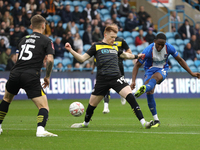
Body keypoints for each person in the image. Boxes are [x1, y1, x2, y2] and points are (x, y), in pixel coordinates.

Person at [65, 24, 153, 129]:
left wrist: (137, 56)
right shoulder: (96, 46)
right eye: (111, 37)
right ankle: (85, 123)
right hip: (102, 80)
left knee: (130, 97)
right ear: (105, 35)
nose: (113, 39)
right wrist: (70, 50)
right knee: (92, 105)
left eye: (115, 38)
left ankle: (144, 122)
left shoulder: (115, 47)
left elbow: (125, 55)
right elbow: (82, 59)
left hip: (116, 77)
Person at [0, 14, 57, 137]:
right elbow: (50, 60)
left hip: (15, 73)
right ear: (43, 26)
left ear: (31, 26)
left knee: (6, 99)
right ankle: (40, 130)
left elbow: (17, 58)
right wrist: (47, 76)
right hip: (30, 75)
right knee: (43, 106)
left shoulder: (22, 39)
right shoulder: (47, 40)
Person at [131, 33, 200, 128]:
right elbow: (137, 65)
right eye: (158, 44)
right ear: (154, 41)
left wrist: (191, 73)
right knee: (150, 92)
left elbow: (180, 60)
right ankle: (156, 120)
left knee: (155, 78)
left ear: (165, 44)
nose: (160, 46)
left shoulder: (169, 48)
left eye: (162, 45)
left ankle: (145, 88)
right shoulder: (148, 50)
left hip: (162, 69)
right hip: (149, 70)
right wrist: (133, 81)